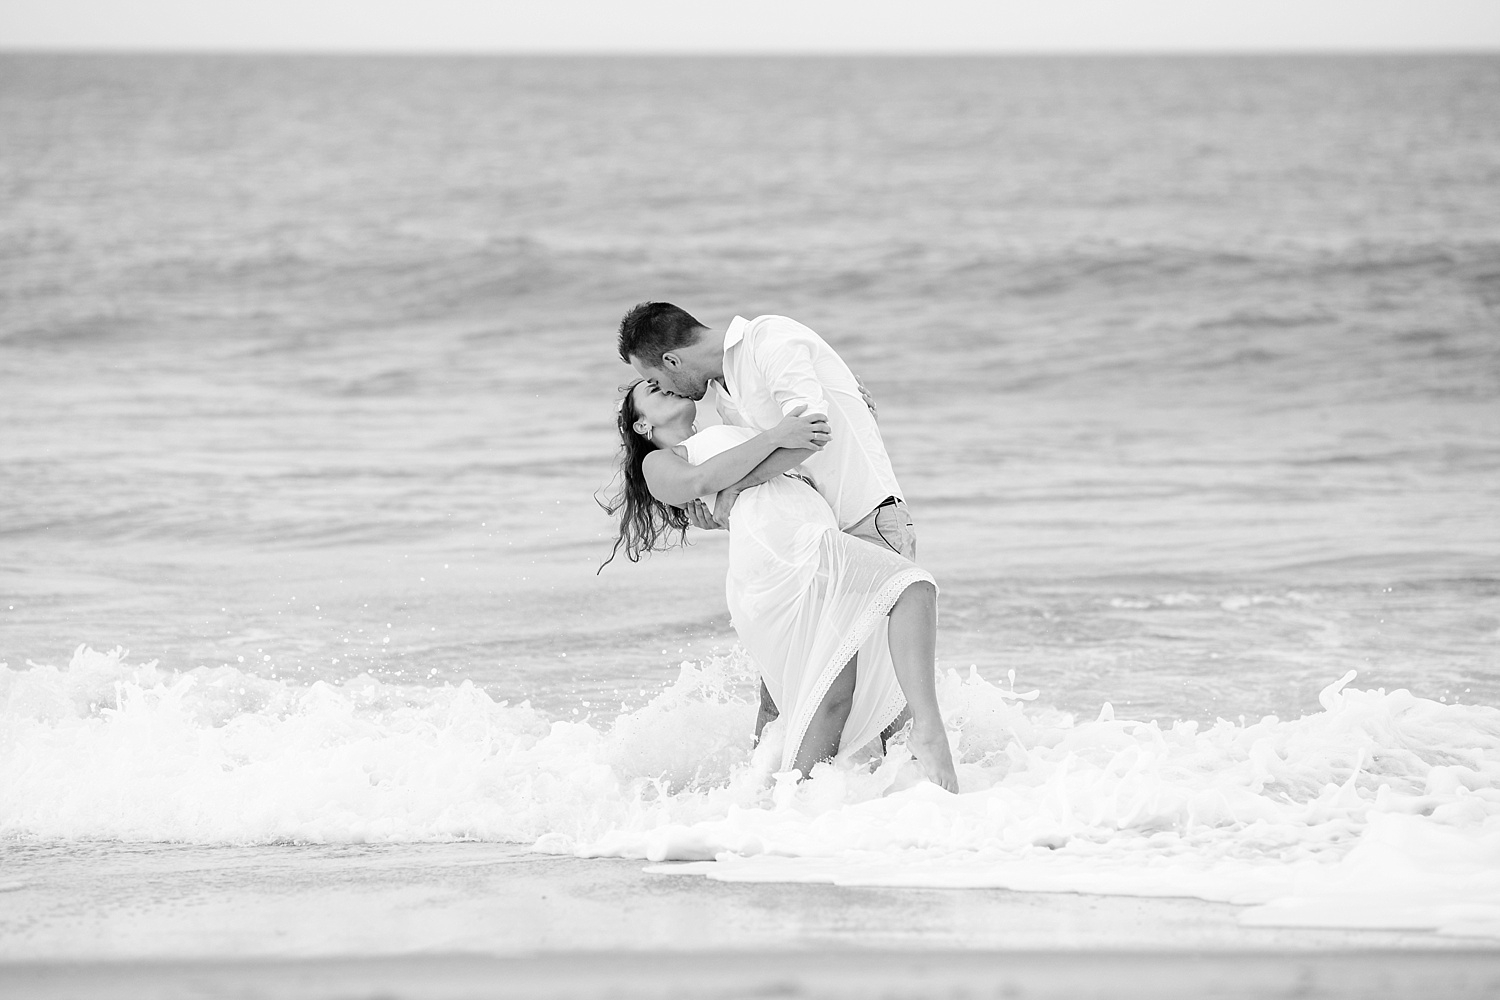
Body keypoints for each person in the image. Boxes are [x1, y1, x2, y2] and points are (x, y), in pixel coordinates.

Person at [601, 378, 959, 791]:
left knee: (832, 700)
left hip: (808, 545)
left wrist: (850, 411)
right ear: (642, 426)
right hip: (784, 555)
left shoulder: (735, 434)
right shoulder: (658, 462)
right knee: (911, 587)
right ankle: (927, 737)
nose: (661, 385)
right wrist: (770, 443)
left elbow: (804, 461)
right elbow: (699, 482)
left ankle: (791, 808)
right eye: (651, 390)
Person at [619, 302, 917, 760]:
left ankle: (918, 792)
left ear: (673, 361)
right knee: (790, 689)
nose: (663, 388)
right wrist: (722, 500)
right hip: (802, 546)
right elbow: (769, 474)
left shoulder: (769, 341)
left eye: (657, 380)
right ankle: (770, 799)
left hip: (862, 520)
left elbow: (810, 435)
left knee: (882, 687)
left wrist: (729, 488)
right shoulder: (724, 400)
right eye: (653, 390)